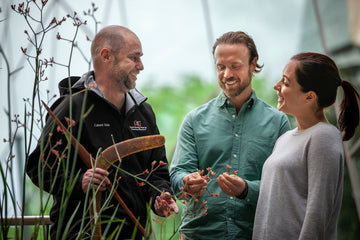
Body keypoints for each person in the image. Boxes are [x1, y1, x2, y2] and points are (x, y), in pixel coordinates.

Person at [26, 25, 178, 240]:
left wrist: (159, 196)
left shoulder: (143, 111)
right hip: (80, 234)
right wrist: (79, 181)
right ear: (106, 56)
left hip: (133, 234)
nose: (141, 66)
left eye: (140, 58)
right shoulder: (71, 107)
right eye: (134, 58)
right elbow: (38, 169)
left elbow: (158, 170)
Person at [169, 31, 290, 240]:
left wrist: (246, 190)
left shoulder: (278, 123)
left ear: (253, 65)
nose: (227, 74)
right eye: (220, 67)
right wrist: (186, 182)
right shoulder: (193, 121)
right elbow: (177, 174)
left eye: (235, 66)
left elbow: (285, 187)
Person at [253, 52, 360, 239]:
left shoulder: (323, 137)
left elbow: (317, 214)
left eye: (285, 82)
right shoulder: (284, 138)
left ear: (309, 97)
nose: (276, 86)